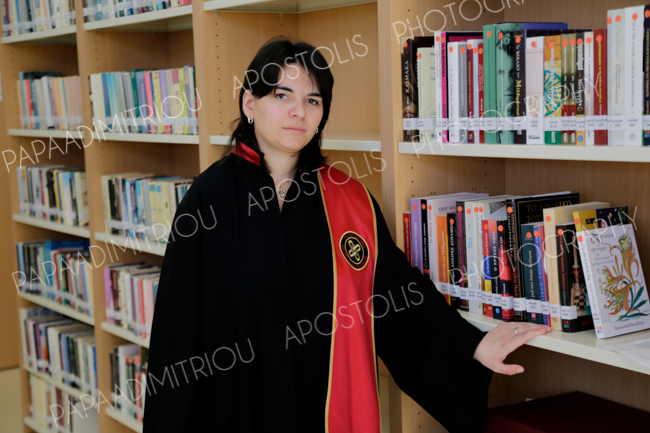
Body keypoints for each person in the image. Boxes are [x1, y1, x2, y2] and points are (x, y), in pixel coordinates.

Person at [142, 36, 552, 433]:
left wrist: (471, 346)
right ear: (250, 103)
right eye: (282, 96)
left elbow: (394, 295)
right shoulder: (208, 202)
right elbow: (178, 332)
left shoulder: (349, 201)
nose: (298, 112)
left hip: (321, 412)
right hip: (234, 410)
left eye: (313, 101)